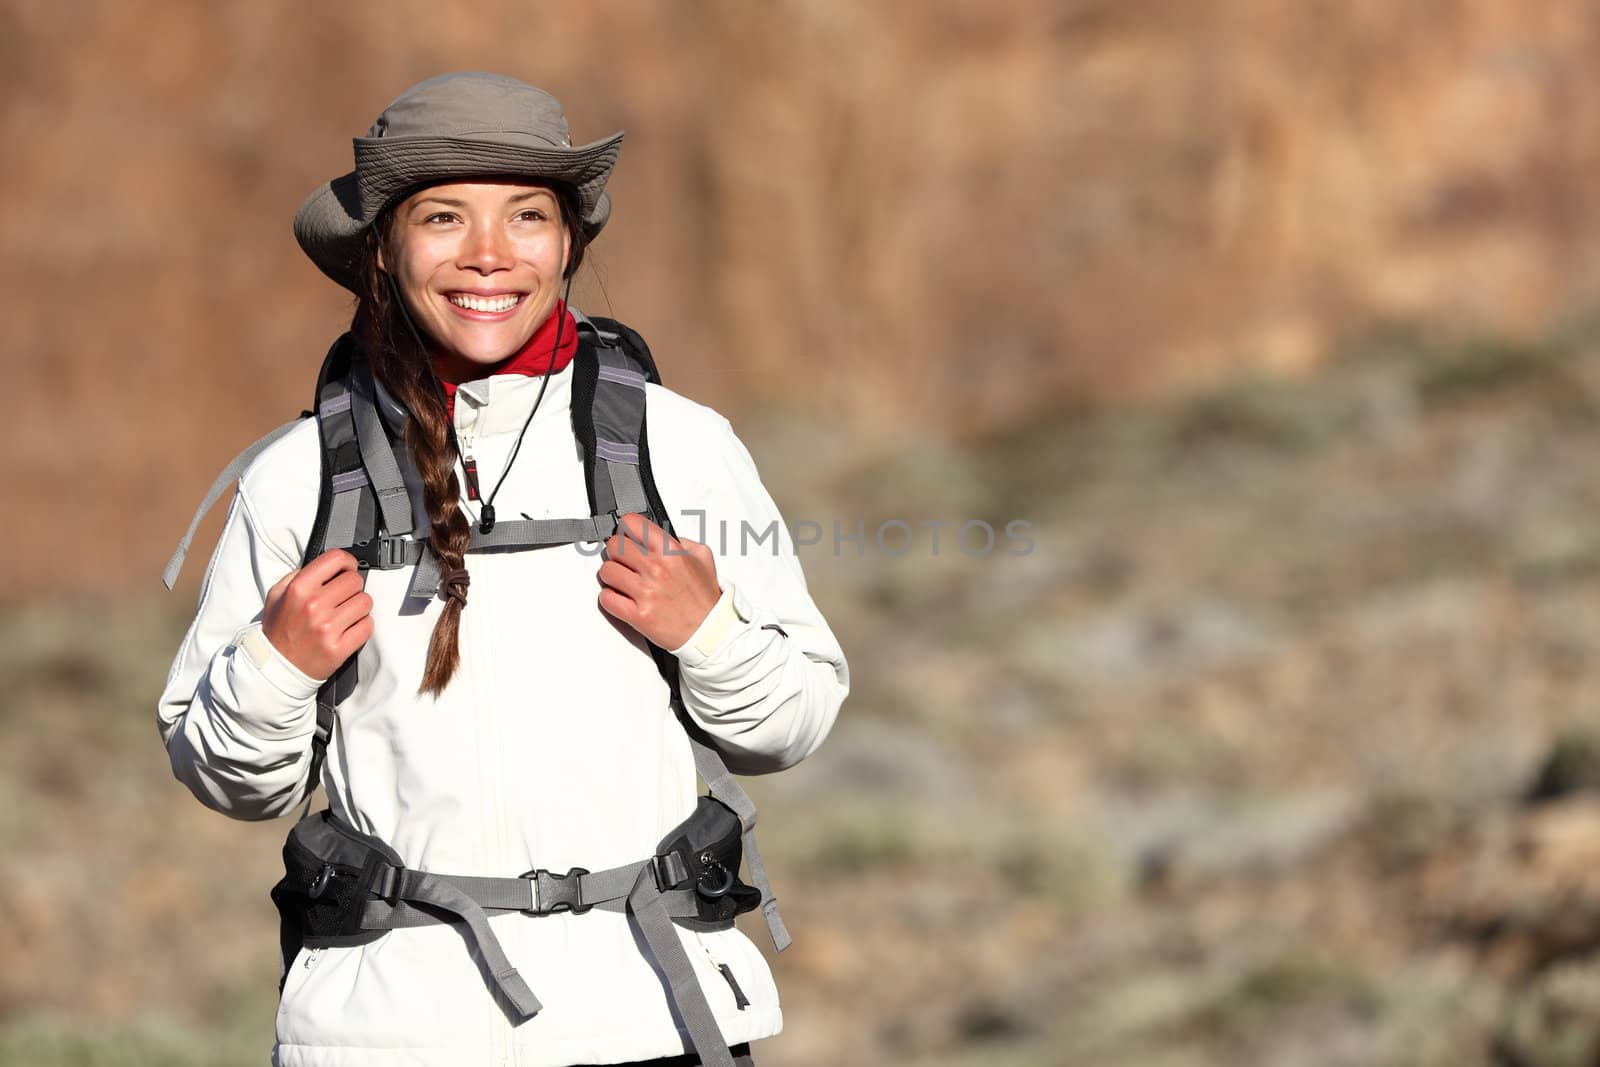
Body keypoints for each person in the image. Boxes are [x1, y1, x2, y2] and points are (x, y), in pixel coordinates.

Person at [157, 71, 849, 1067]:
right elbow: (233, 782)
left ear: (568, 244)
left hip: (654, 1021)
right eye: (443, 217)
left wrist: (710, 633)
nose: (489, 255)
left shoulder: (679, 446)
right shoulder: (296, 476)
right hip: (387, 1035)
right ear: (381, 255)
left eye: (526, 216)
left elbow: (790, 722)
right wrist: (274, 665)